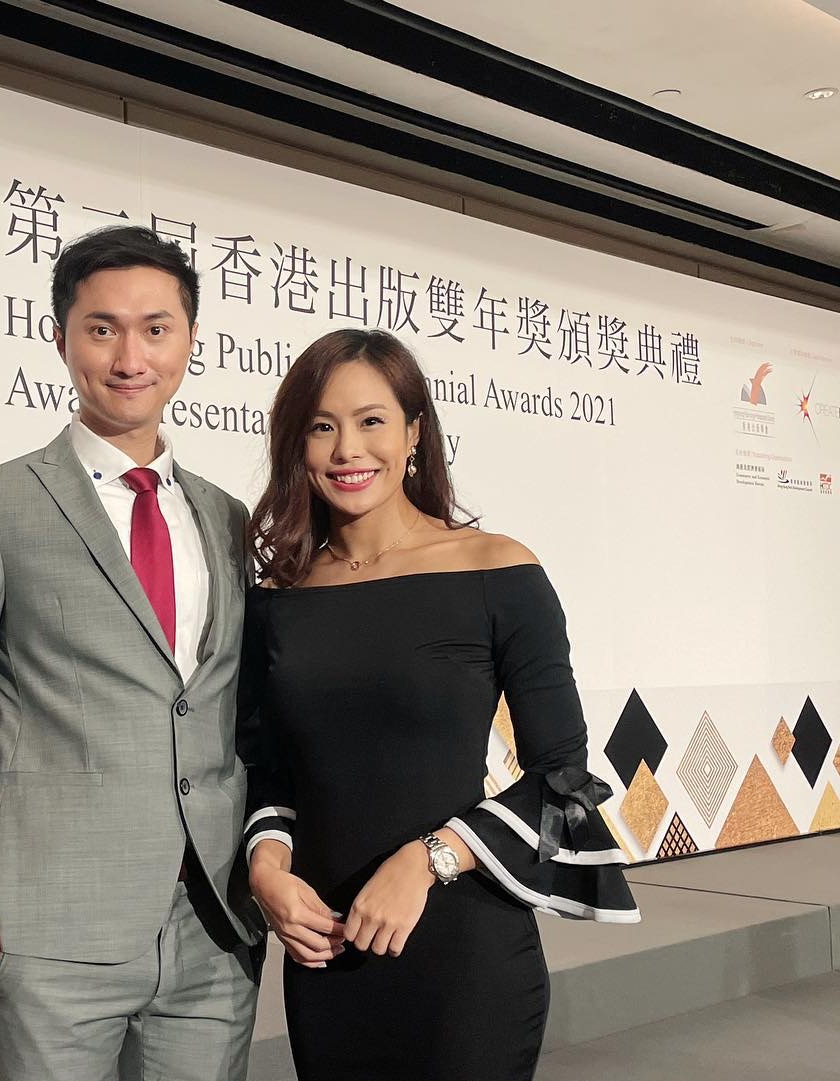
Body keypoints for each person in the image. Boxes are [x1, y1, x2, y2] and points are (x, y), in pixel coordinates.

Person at [0, 225, 262, 1081]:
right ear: (60, 338)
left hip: (214, 923)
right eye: (102, 329)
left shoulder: (228, 517)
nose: (131, 356)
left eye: (156, 328)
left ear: (190, 341)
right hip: (50, 929)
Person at [240, 328, 639, 1081]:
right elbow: (269, 770)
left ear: (415, 431)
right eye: (321, 427)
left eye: (371, 421)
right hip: (327, 955)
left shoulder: (498, 570)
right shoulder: (277, 598)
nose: (348, 450)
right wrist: (268, 870)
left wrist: (425, 861)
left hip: (464, 950)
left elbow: (561, 777)